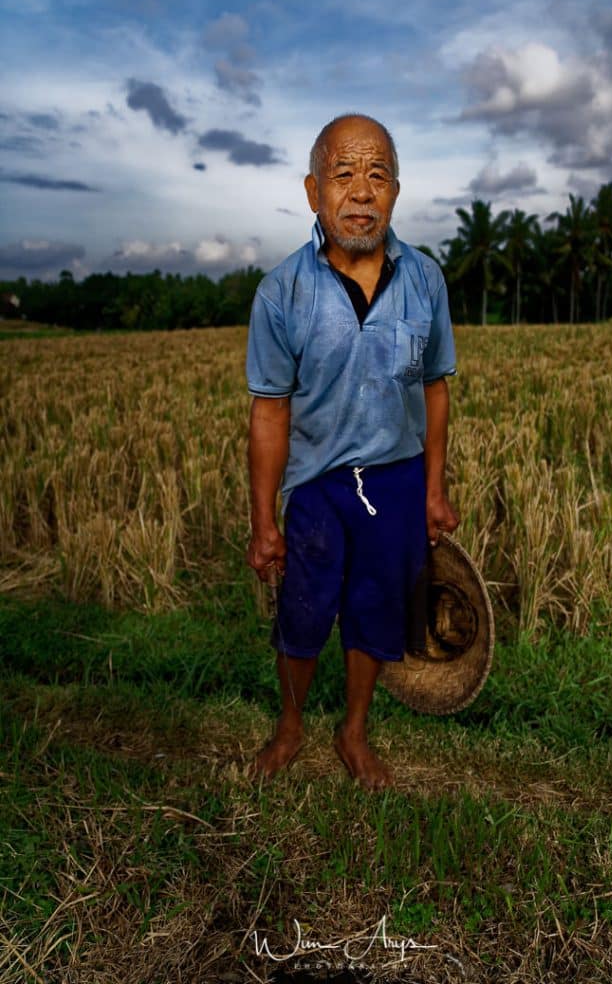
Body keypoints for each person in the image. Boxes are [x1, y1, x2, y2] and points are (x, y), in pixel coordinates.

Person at [245, 113, 458, 789]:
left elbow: (434, 390)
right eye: (344, 174)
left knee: (375, 610)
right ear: (313, 191)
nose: (361, 192)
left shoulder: (424, 280)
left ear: (395, 192)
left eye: (377, 175)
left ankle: (354, 731)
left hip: (393, 481)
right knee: (302, 613)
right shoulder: (283, 291)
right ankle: (289, 726)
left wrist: (431, 491)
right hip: (317, 486)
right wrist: (263, 521)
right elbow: (269, 411)